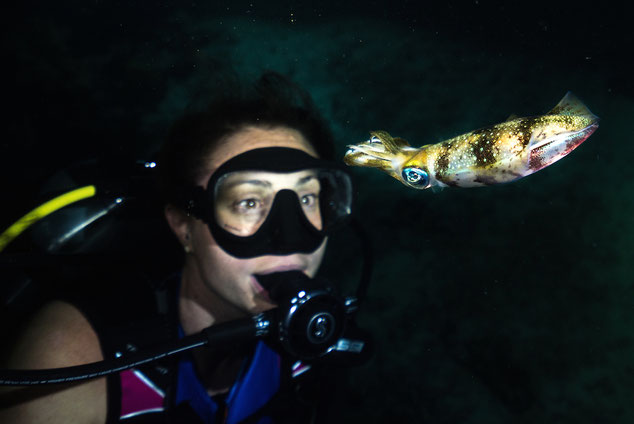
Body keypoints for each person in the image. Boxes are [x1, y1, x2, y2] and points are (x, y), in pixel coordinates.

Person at [0, 72, 362, 423]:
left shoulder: (321, 338)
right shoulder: (71, 363)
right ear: (183, 226)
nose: (291, 238)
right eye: (248, 202)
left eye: (308, 198)